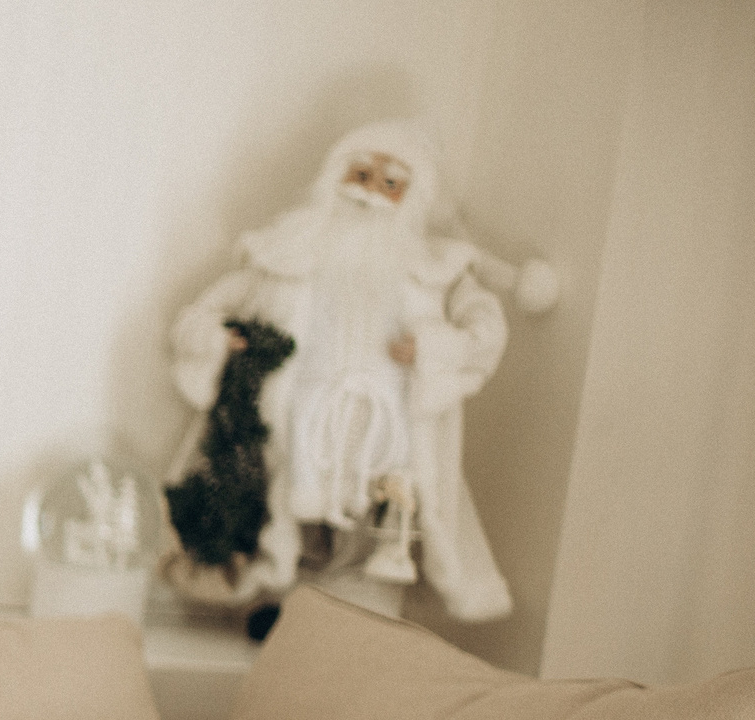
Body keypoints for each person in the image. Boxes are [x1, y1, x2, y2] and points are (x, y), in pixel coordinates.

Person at [158, 119, 554, 623]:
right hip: (301, 416)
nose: (370, 193)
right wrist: (217, 338)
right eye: (361, 175)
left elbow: (483, 328)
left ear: (412, 195)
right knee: (287, 510)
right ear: (336, 176)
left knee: (377, 524)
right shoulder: (288, 251)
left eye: (390, 183)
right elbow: (204, 312)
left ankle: (353, 620)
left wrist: (434, 346)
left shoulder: (435, 268)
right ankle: (281, 605)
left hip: (386, 425)